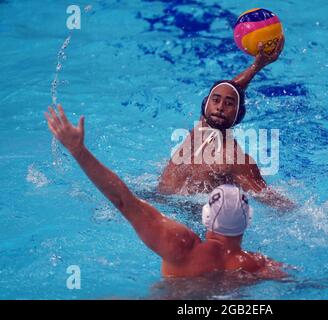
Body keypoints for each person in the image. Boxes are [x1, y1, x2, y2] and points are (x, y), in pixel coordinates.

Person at [45, 105, 286, 279]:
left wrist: (78, 151)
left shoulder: (180, 246)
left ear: (205, 216)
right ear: (248, 220)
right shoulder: (257, 265)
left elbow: (123, 200)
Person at [158, 37, 295, 210]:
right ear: (206, 104)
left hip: (193, 222)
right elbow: (230, 88)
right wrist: (257, 66)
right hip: (157, 202)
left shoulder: (237, 160)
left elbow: (268, 197)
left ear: (238, 114)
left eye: (229, 104)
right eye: (216, 100)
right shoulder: (201, 128)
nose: (220, 107)